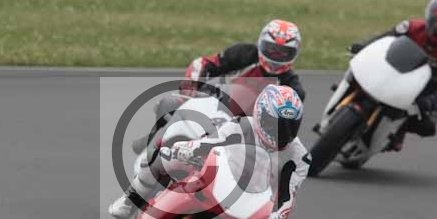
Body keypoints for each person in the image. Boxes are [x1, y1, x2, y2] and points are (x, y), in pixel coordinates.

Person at [110, 84, 311, 219]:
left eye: (290, 127)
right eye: (274, 124)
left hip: (245, 206)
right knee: (164, 156)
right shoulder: (241, 125)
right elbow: (212, 142)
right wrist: (188, 150)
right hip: (214, 181)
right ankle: (130, 201)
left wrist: (277, 218)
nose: (282, 133)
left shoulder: (300, 158)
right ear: (260, 113)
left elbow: (289, 194)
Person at [131, 19, 306, 154]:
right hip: (218, 105)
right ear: (261, 44)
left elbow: (285, 128)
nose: (276, 56)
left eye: (284, 52)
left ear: (294, 53)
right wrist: (191, 90)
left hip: (250, 131)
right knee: (170, 103)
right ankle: (153, 142)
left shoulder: (293, 89)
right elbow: (203, 64)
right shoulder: (244, 54)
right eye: (272, 49)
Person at [349, 0, 437, 151]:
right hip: (393, 68)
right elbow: (384, 38)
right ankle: (347, 93)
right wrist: (363, 46)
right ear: (430, 19)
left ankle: (397, 130)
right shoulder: (411, 27)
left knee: (427, 126)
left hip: (422, 88)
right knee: (358, 68)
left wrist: (432, 100)